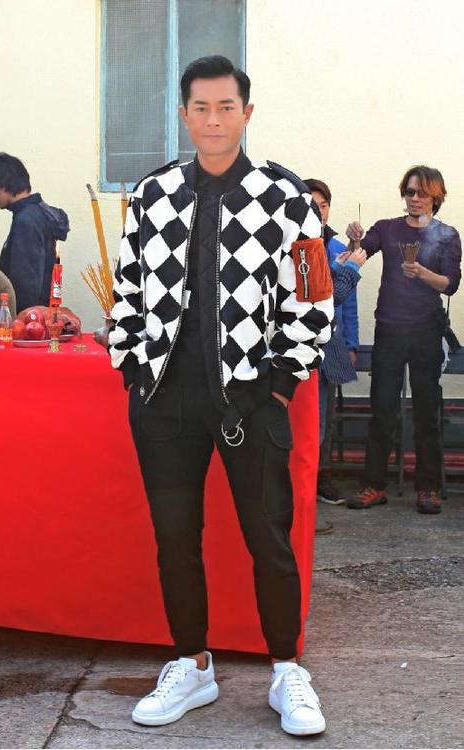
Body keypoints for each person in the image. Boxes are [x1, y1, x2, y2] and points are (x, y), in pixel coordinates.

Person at [109, 56, 334, 736]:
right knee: (175, 539)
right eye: (201, 108)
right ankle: (192, 664)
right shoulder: (151, 195)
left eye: (226, 107)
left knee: (270, 536)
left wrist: (281, 383)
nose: (213, 119)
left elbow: (313, 299)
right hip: (164, 400)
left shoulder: (287, 197)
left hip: (251, 398)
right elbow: (126, 288)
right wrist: (132, 368)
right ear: (184, 115)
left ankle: (287, 670)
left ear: (247, 113)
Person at [345, 165, 461, 514]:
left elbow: (451, 284)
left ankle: (428, 488)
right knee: (382, 408)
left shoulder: (447, 235)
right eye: (410, 192)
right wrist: (353, 239)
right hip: (390, 329)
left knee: (426, 412)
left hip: (426, 330)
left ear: (436, 197)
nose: (414, 198)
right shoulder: (387, 228)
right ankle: (373, 485)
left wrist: (422, 273)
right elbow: (358, 254)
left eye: (422, 193)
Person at [304, 180, 364, 518]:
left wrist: (351, 343)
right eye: (313, 205)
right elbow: (324, 294)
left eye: (324, 205)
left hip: (332, 343)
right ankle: (303, 484)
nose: (319, 211)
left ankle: (321, 475)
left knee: (325, 417)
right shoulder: (296, 244)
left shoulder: (337, 245)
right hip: (301, 346)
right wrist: (346, 269)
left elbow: (348, 303)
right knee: (307, 420)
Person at [0, 152, 69, 313]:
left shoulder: (26, 221)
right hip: (38, 314)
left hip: (27, 317)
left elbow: (25, 284)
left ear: (2, 186)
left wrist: (16, 318)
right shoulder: (37, 213)